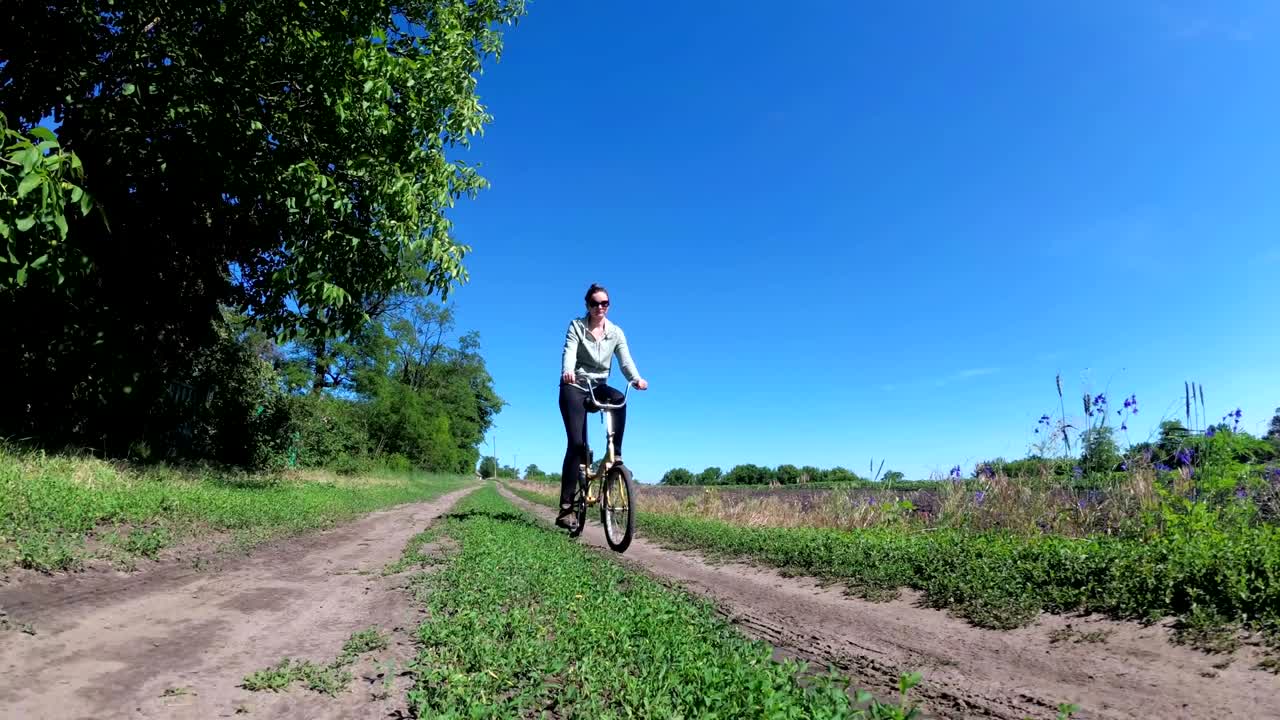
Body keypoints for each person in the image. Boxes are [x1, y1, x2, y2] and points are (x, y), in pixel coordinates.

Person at [557, 283, 648, 530]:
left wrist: (636, 379)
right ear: (587, 305)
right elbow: (569, 352)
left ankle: (615, 455)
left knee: (619, 398)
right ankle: (567, 508)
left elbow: (625, 360)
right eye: (595, 303)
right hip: (575, 385)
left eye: (605, 303)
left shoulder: (616, 332)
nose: (600, 307)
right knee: (577, 445)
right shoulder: (576, 326)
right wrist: (567, 372)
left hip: (598, 385)